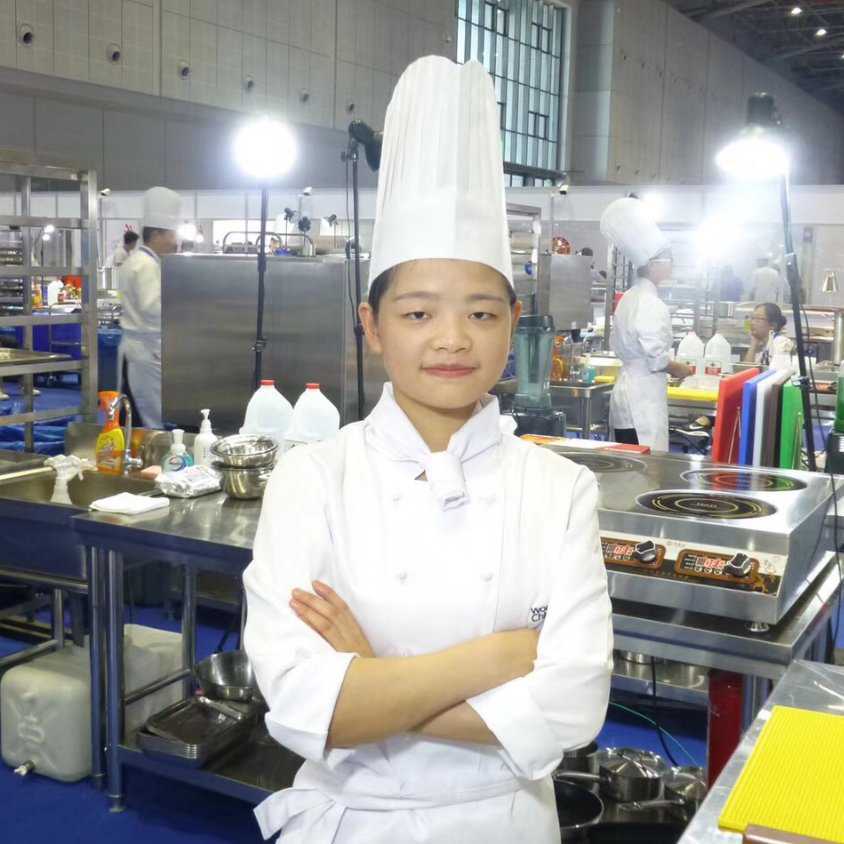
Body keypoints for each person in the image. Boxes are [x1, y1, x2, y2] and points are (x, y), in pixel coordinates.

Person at [242, 56, 613, 844]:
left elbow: (575, 709)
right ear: (371, 326)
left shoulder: (561, 488)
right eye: (417, 314)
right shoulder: (313, 477)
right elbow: (300, 703)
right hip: (352, 823)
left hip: (506, 824)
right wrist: (498, 659)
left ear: (512, 323)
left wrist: (373, 680)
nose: (451, 339)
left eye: (481, 314)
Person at [601, 197, 693, 450]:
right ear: (653, 265)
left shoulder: (629, 297)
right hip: (641, 401)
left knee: (628, 461)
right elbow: (656, 358)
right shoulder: (651, 303)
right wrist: (679, 368)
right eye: (668, 259)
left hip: (627, 393)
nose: (672, 264)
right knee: (644, 464)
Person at [117, 187, 181, 429]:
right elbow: (152, 308)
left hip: (137, 349)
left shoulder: (137, 261)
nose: (174, 241)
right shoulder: (146, 265)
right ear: (156, 234)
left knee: (132, 412)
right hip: (145, 350)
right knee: (150, 416)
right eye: (171, 234)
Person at [744, 302, 794, 366]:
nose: (752, 323)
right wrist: (754, 343)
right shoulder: (764, 347)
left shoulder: (781, 342)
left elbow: (779, 370)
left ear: (772, 325)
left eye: (758, 319)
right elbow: (747, 369)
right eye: (752, 318)